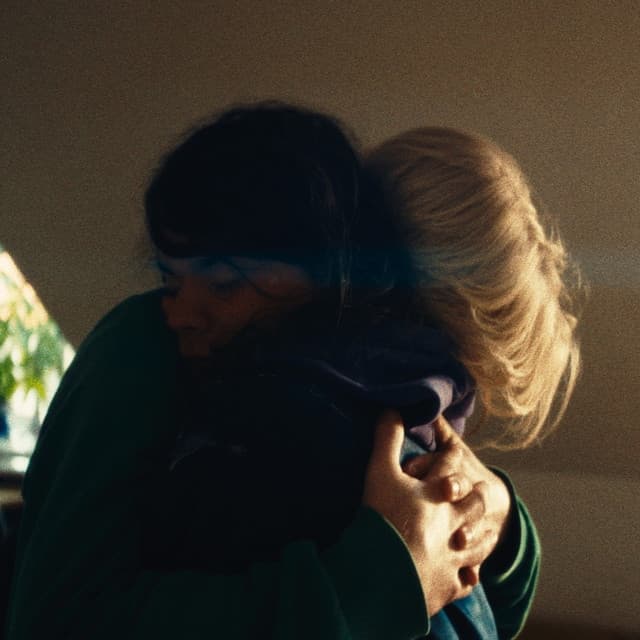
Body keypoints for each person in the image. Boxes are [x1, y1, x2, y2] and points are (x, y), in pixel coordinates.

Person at [4, 103, 579, 639]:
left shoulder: (377, 408)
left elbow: (480, 608)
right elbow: (55, 619)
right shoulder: (151, 347)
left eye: (446, 387)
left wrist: (498, 520)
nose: (410, 384)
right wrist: (375, 581)